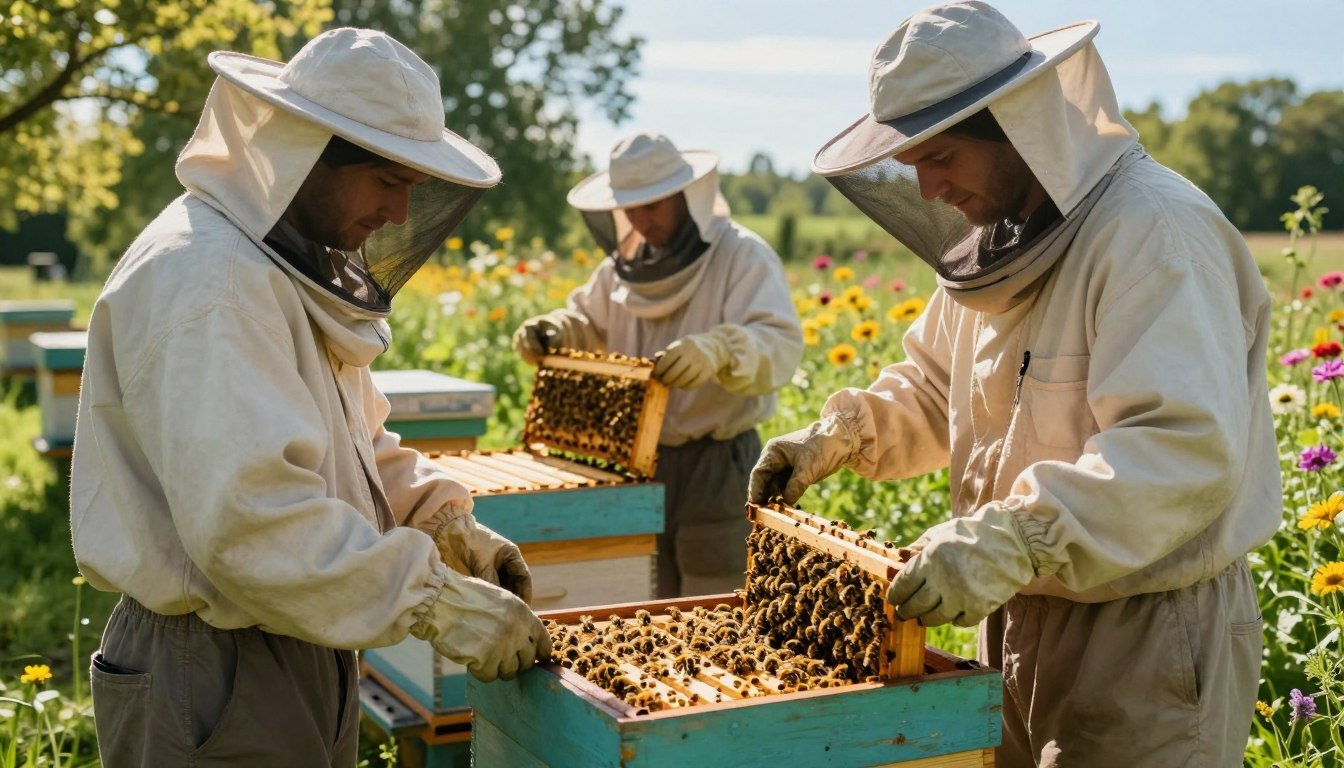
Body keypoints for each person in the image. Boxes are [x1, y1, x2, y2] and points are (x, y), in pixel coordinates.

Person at [749, 2, 1279, 765]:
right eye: (914, 162)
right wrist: (842, 434)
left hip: (1144, 633)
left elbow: (1181, 448)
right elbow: (936, 388)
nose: (928, 189)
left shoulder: (1153, 232)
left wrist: (1016, 536)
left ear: (1018, 124)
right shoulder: (999, 242)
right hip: (1013, 616)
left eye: (943, 157)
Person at [69, 28, 550, 767]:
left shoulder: (276, 266)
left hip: (294, 633)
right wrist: (433, 599)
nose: (400, 213)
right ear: (308, 151)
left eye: (413, 187)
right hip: (216, 663)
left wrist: (441, 520)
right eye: (387, 180)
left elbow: (351, 442)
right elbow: (252, 520)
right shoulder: (213, 283)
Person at [515, 132, 803, 597]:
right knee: (641, 594)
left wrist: (721, 350)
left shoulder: (743, 256)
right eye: (630, 209)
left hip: (716, 462)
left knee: (713, 601)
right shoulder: (619, 269)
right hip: (636, 461)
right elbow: (589, 323)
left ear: (687, 198)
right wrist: (557, 329)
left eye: (652, 206)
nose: (640, 222)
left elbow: (781, 344)